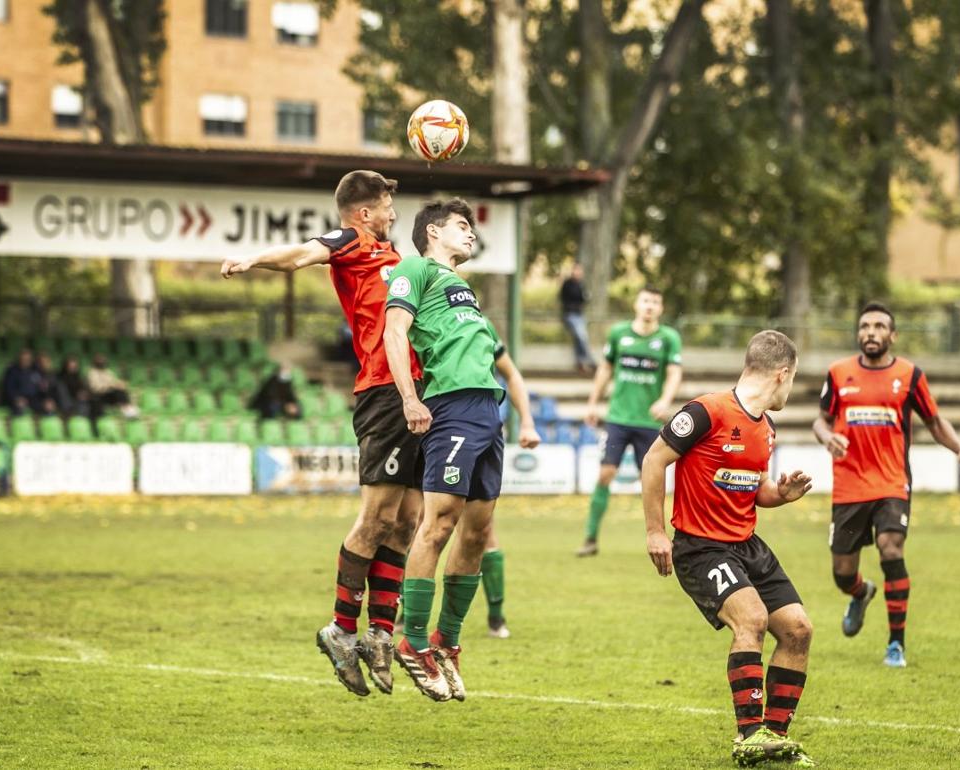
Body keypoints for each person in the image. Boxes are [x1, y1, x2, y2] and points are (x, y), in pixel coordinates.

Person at [221, 170, 423, 698]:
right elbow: (299, 255)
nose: (391, 214)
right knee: (377, 516)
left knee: (408, 520)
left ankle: (379, 631)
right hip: (383, 392)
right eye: (384, 207)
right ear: (362, 213)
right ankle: (340, 627)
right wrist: (251, 260)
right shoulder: (353, 242)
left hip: (418, 395)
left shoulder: (395, 257)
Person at [383, 198, 540, 702]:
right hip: (448, 407)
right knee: (439, 524)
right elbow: (395, 331)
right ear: (432, 232)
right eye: (461, 225)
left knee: (477, 533)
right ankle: (410, 641)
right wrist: (410, 397)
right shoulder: (415, 268)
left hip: (486, 411)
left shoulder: (464, 290)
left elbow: (507, 369)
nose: (471, 233)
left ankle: (446, 642)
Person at [641, 330, 815, 767]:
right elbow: (653, 460)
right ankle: (747, 736)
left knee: (798, 629)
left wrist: (781, 494)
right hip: (701, 548)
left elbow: (755, 491)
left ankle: (774, 738)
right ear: (782, 373)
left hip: (747, 544)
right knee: (752, 619)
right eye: (792, 379)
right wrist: (655, 531)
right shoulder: (706, 411)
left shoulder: (766, 428)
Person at [812, 302, 960, 669]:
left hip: (892, 483)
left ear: (893, 335)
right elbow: (820, 421)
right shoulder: (839, 373)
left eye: (878, 326)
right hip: (849, 487)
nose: (870, 332)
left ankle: (895, 645)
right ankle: (860, 592)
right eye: (865, 326)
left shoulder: (909, 375)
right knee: (842, 573)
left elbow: (935, 422)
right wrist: (827, 438)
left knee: (891, 547)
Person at [577, 287, 683, 556]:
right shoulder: (618, 334)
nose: (649, 306)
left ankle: (667, 538)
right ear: (637, 304)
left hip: (648, 422)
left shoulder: (668, 338)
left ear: (661, 308)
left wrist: (665, 401)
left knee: (652, 481)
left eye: (655, 302)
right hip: (618, 419)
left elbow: (674, 373)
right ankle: (590, 538)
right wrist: (592, 402)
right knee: (605, 473)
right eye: (646, 300)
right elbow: (605, 369)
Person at [559, 263, 594, 373]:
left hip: (579, 314)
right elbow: (564, 298)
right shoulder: (568, 284)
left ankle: (581, 362)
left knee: (580, 339)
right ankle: (590, 361)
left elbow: (584, 298)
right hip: (570, 314)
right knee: (582, 337)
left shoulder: (581, 284)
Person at [0, 349, 53, 416]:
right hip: (18, 398)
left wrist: (46, 399)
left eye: (28, 359)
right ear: (19, 359)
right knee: (18, 408)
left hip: (33, 398)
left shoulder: (35, 370)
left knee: (47, 407)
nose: (25, 361)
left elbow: (42, 387)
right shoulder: (12, 371)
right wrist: (16, 398)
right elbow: (9, 388)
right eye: (23, 359)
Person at [86, 355, 139, 419]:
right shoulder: (92, 373)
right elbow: (96, 388)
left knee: (122, 390)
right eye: (100, 361)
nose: (102, 362)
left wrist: (120, 384)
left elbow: (114, 381)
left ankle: (128, 409)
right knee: (118, 392)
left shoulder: (107, 371)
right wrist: (110, 385)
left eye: (103, 361)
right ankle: (127, 410)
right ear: (95, 362)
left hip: (110, 393)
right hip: (99, 395)